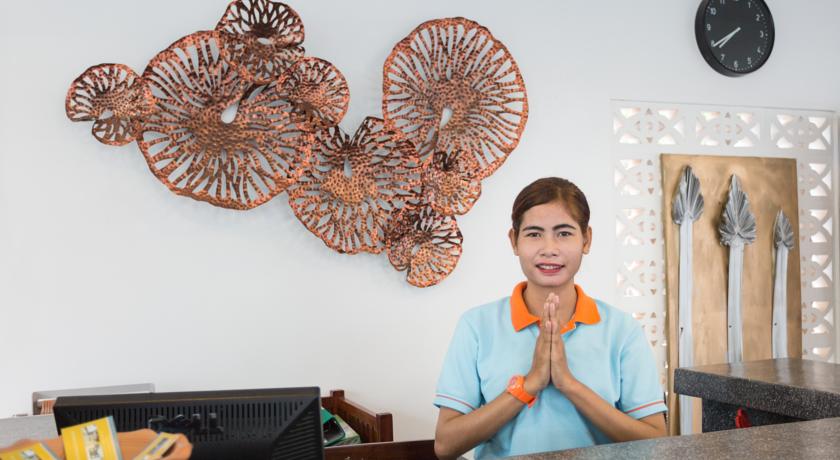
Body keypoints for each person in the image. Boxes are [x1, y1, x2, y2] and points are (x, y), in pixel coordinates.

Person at [433, 177, 667, 459]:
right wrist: (529, 384)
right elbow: (446, 445)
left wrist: (569, 384)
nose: (549, 248)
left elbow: (655, 441)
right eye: (534, 234)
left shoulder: (622, 329)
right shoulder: (476, 326)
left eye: (564, 233)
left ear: (586, 239)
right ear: (514, 241)